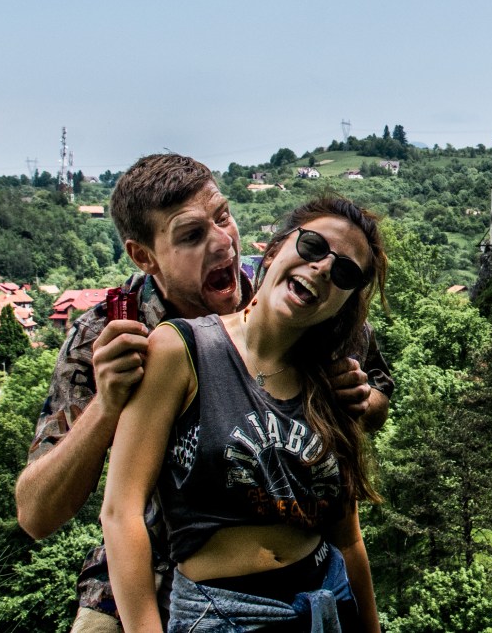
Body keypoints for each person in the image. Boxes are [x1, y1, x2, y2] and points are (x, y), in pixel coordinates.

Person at [14, 155, 392, 632]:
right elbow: (36, 514)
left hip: (300, 575)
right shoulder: (111, 333)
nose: (223, 243)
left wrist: (362, 399)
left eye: (223, 216)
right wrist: (107, 406)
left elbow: (373, 395)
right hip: (139, 570)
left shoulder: (295, 300)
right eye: (191, 235)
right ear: (144, 256)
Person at [102, 195, 385, 632]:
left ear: (344, 300)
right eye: (313, 246)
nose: (325, 267)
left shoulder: (328, 381)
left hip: (327, 604)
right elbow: (121, 511)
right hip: (223, 614)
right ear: (274, 251)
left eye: (345, 271)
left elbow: (347, 536)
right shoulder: (182, 349)